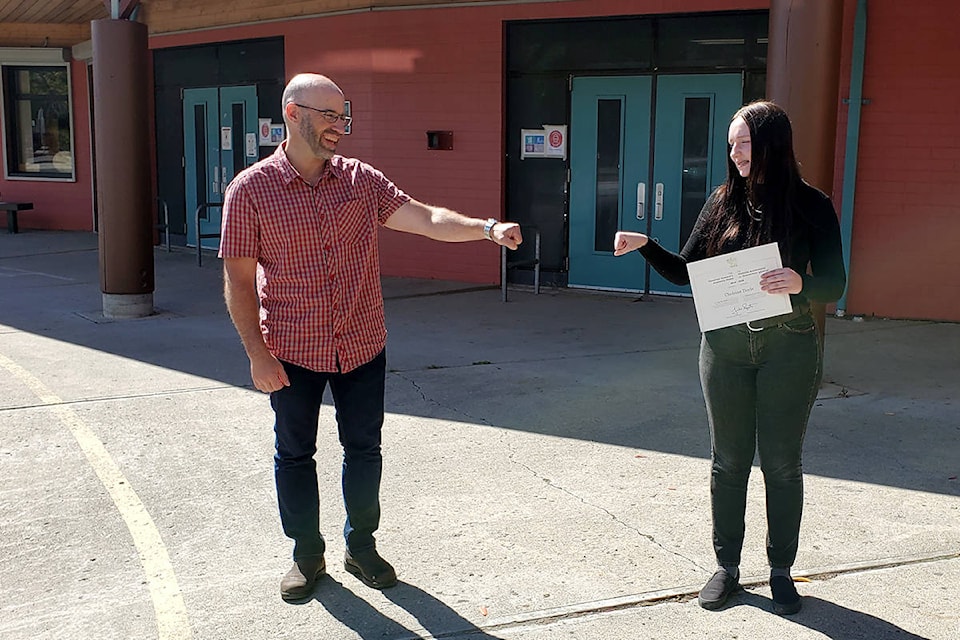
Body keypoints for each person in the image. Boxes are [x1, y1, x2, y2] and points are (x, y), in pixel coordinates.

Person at [220, 73, 522, 602]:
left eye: (345, 116)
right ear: (293, 114)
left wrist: (486, 228)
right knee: (294, 454)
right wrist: (256, 354)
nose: (341, 127)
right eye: (330, 116)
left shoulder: (360, 180)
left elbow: (426, 218)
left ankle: (361, 546)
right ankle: (306, 555)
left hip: (361, 345)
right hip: (292, 353)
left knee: (365, 449)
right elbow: (238, 282)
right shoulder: (250, 191)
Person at [613, 101, 845, 615]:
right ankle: (729, 568)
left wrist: (801, 283)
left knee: (782, 463)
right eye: (731, 143)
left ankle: (781, 571)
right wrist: (645, 244)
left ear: (771, 144)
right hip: (725, 348)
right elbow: (684, 271)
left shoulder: (812, 205)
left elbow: (837, 282)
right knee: (728, 462)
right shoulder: (722, 202)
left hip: (790, 344)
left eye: (743, 142)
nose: (734, 152)